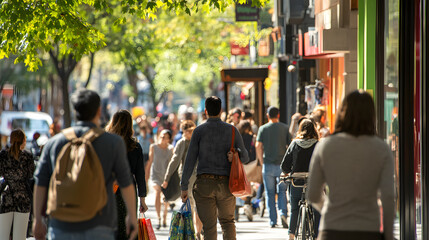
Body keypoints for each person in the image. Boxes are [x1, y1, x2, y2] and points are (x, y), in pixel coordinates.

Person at [32, 89, 138, 240]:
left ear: (75, 111)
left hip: (61, 225)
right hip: (101, 224)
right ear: (99, 110)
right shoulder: (113, 143)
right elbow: (126, 182)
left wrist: (37, 220)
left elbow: (40, 182)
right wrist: (131, 216)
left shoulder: (54, 143)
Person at [307, 90, 395, 240]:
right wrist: (388, 234)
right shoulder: (381, 148)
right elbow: (388, 196)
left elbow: (313, 195)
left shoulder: (326, 146)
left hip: (331, 229)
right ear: (371, 115)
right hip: (368, 228)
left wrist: (331, 209)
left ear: (342, 113)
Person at [181, 96, 249, 240]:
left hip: (204, 184)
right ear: (221, 111)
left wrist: (184, 186)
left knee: (209, 227)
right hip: (226, 185)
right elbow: (245, 157)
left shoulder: (199, 131)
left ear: (205, 111)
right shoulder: (232, 130)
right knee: (228, 223)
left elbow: (190, 160)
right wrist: (236, 154)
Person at [105, 109, 149, 240]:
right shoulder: (135, 146)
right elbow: (140, 175)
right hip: (128, 191)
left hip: (109, 190)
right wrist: (142, 200)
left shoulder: (107, 143)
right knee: (128, 228)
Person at [161, 120, 203, 239]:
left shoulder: (190, 142)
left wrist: (167, 178)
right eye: (187, 131)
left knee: (196, 205)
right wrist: (166, 178)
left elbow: (175, 161)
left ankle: (197, 232)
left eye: (190, 131)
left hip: (194, 177)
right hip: (190, 178)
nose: (188, 134)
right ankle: (195, 231)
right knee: (194, 204)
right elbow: (174, 161)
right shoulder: (186, 142)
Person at [281, 119, 321, 240]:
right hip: (313, 183)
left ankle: (291, 235)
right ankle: (317, 236)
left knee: (294, 209)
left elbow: (284, 166)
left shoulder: (294, 144)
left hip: (296, 182)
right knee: (317, 210)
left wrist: (287, 172)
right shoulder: (318, 144)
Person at [255, 106, 290, 228]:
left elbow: (258, 145)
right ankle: (283, 213)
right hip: (281, 165)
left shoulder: (263, 129)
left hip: (268, 165)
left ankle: (273, 220)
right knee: (282, 191)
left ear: (267, 116)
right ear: (278, 115)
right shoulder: (285, 128)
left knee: (269, 193)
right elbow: (289, 146)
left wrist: (261, 161)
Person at [0, 129, 35, 240]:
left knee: (3, 236)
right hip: (23, 198)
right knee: (19, 237)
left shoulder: (3, 155)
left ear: (11, 140)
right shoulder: (28, 156)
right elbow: (30, 175)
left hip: (7, 197)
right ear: (24, 141)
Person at [145, 129, 173, 230]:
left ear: (169, 139)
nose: (162, 139)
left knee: (165, 197)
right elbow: (149, 162)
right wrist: (146, 176)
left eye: (165, 137)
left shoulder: (171, 149)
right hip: (155, 175)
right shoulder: (153, 147)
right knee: (157, 193)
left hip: (166, 176)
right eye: (161, 136)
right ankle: (158, 218)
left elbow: (172, 165)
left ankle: (165, 215)